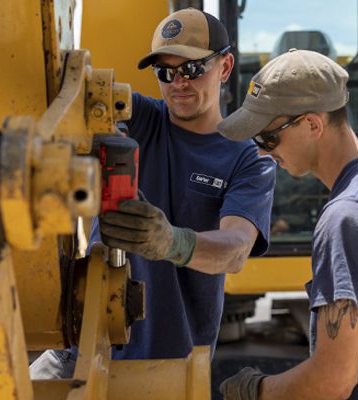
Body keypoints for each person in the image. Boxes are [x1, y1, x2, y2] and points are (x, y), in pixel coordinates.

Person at [30, 8, 275, 377]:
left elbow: (236, 249)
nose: (178, 82)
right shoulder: (139, 117)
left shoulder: (247, 158)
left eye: (192, 69)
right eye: (165, 72)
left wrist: (171, 243)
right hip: (84, 347)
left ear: (225, 68)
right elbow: (69, 106)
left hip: (170, 362)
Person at [216, 49, 358, 400]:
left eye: (268, 138)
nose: (262, 152)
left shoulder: (346, 218)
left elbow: (332, 382)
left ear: (312, 124)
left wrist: (255, 391)